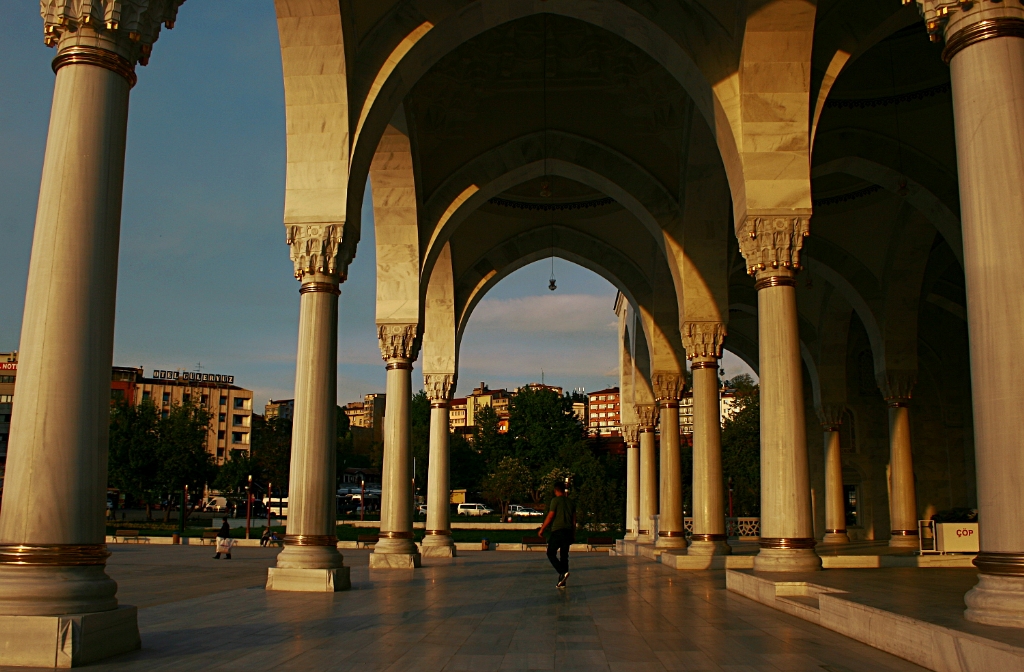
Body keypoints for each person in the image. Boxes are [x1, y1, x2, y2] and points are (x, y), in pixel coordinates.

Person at [537, 482, 575, 588]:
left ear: (556, 490)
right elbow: (573, 521)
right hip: (568, 531)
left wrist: (542, 529)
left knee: (551, 553)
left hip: (558, 531)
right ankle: (562, 581)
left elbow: (550, 516)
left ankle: (562, 572)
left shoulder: (555, 501)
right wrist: (573, 534)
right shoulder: (571, 502)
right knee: (564, 556)